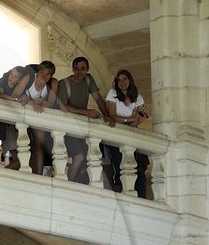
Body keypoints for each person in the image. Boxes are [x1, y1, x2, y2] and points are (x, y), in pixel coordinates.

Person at [55, 55, 112, 184]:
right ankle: (67, 186)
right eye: (76, 68)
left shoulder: (88, 79)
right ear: (72, 69)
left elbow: (98, 99)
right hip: (68, 126)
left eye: (82, 68)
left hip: (83, 127)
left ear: (87, 69)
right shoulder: (64, 83)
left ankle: (74, 184)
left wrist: (107, 116)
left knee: (87, 158)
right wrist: (87, 112)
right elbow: (63, 107)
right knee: (79, 157)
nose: (79, 72)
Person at [100, 68, 153, 197]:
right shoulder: (113, 93)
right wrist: (128, 119)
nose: (122, 82)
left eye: (125, 79)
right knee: (118, 163)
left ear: (130, 80)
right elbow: (112, 115)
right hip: (115, 133)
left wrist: (138, 119)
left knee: (136, 165)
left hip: (130, 133)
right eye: (119, 80)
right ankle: (120, 188)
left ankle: (139, 193)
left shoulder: (137, 97)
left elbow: (136, 120)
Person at [22, 61, 59, 176]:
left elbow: (51, 104)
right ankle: (26, 173)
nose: (44, 76)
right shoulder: (29, 78)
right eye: (42, 72)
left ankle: (38, 175)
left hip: (39, 117)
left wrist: (42, 102)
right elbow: (18, 96)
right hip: (25, 116)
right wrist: (32, 103)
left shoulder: (53, 82)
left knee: (38, 146)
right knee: (27, 146)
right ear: (38, 71)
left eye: (48, 74)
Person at [0, 64, 30, 168]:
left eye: (15, 76)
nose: (11, 78)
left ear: (19, 81)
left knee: (16, 153)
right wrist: (16, 101)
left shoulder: (20, 88)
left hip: (7, 121)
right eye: (11, 74)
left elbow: (25, 98)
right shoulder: (3, 80)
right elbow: (2, 95)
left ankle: (2, 169)